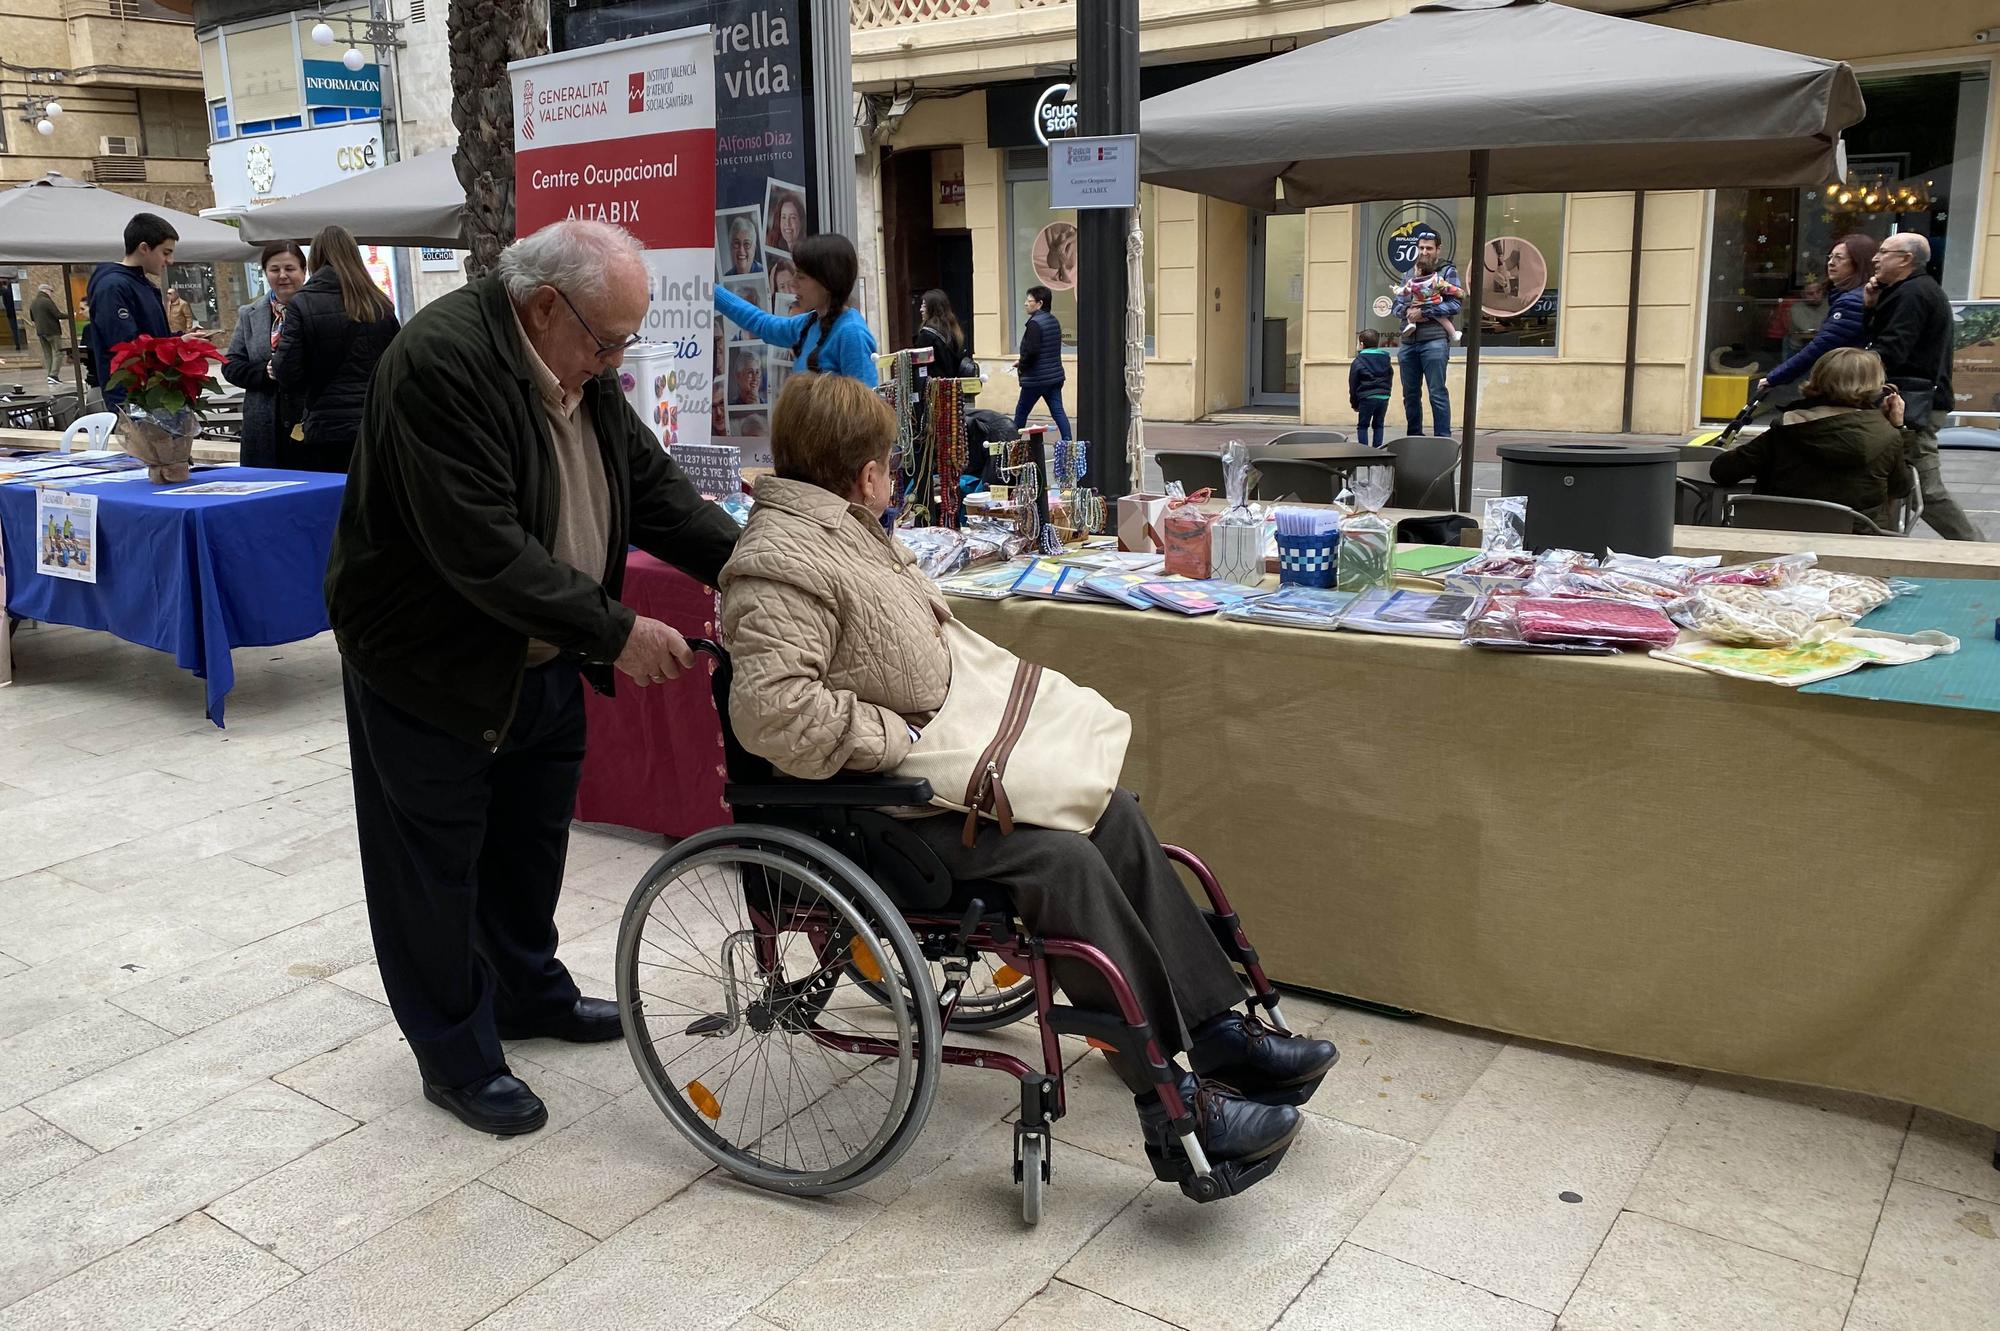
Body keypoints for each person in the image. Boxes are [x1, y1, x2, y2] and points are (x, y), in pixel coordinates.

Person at [720, 371, 1337, 1185]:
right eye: (886, 464)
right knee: (1061, 862)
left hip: (935, 770)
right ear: (863, 472)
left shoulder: (847, 531)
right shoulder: (779, 561)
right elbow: (772, 714)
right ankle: (1173, 1106)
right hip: (871, 806)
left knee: (1107, 812)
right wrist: (894, 737)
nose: (893, 477)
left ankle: (1214, 1027)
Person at [325, 218, 740, 1137]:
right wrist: (619, 628)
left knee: (528, 846)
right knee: (432, 869)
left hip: (544, 662)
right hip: (433, 668)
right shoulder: (442, 364)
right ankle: (456, 1053)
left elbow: (658, 491)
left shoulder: (573, 365)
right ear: (545, 305)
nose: (618, 360)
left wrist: (758, 563)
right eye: (609, 340)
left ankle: (526, 992)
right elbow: (485, 554)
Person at [1709, 348, 1914, 525]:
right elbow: (1901, 488)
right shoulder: (1888, 435)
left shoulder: (1786, 429)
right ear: (1876, 387)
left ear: (1817, 379)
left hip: (1778, 538)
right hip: (1855, 541)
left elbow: (1722, 471)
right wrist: (1899, 427)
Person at [1866, 232, 1979, 541]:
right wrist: (1873, 306)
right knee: (1893, 483)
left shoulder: (1913, 294)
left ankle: (1979, 552)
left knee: (1924, 490)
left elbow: (1892, 348)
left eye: (1884, 252)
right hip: (1916, 400)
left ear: (1906, 259)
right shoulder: (1908, 291)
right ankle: (1884, 546)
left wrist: (1849, 368)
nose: (1876, 258)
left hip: (1915, 405)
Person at [270, 225, 401, 474]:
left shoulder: (303, 302)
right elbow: (396, 364)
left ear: (315, 258)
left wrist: (277, 365)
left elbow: (288, 373)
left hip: (326, 428)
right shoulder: (380, 303)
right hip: (376, 424)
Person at [715, 233, 878, 386]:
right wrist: (709, 289)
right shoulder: (809, 323)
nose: (793, 283)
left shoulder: (851, 333)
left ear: (827, 282)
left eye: (800, 277)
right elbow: (761, 323)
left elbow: (866, 408)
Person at [222, 242, 308, 469]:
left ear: (304, 270)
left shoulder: (318, 309)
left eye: (290, 269)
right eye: (274, 270)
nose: (282, 276)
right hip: (262, 430)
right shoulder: (249, 314)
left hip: (308, 424)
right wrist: (265, 372)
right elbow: (230, 365)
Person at [1759, 234, 1877, 399]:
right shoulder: (1849, 296)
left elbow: (1821, 346)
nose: (1831, 263)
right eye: (1830, 257)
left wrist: (1775, 377)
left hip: (1847, 384)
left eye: (1839, 258)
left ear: (1858, 263)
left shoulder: (1852, 301)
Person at [86, 212, 176, 411]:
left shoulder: (141, 283)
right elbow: (127, 347)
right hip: (132, 397)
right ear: (144, 248)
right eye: (166, 252)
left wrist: (181, 340)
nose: (170, 260)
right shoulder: (113, 287)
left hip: (151, 392)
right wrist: (176, 344)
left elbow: (153, 336)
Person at [1389, 234, 1460, 437]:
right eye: (1421, 248)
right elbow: (1397, 306)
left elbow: (1455, 304)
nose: (1424, 252)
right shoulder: (1409, 273)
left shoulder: (1447, 272)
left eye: (1429, 248)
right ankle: (1414, 437)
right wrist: (1407, 312)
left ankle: (1443, 440)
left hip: (1435, 340)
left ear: (1438, 249)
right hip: (1408, 342)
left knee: (1437, 392)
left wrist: (1425, 312)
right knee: (1410, 395)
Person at [1013, 284, 1072, 445]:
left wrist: (1023, 364)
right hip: (1054, 377)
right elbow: (1046, 349)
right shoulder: (1053, 321)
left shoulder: (1035, 324)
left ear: (1039, 304)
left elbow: (1032, 351)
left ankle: (1011, 445)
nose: (1026, 303)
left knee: (1021, 412)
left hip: (1036, 379)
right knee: (1058, 411)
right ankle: (1069, 444)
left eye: (1029, 300)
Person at [1349, 329, 1394, 447]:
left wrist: (1354, 403)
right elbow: (1390, 376)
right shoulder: (1386, 359)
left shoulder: (1358, 361)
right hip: (1383, 397)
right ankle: (1377, 452)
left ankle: (1364, 453)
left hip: (1366, 397)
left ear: (1362, 344)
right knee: (1379, 425)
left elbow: (1353, 384)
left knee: (1363, 426)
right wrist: (1387, 393)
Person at [915, 288, 968, 387]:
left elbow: (922, 365)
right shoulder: (953, 332)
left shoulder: (926, 335)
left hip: (935, 390)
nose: (921, 309)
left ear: (933, 309)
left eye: (924, 306)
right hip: (953, 388)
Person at [29, 284, 65, 385]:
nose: (51, 294)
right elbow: (57, 315)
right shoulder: (47, 301)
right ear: (46, 291)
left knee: (47, 354)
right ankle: (53, 375)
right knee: (58, 352)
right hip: (52, 331)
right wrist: (70, 315)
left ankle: (49, 375)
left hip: (40, 332)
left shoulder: (33, 302)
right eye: (50, 291)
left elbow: (32, 318)